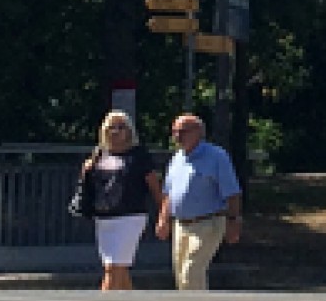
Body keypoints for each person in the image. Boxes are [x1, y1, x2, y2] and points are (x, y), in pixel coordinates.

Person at [77, 110, 163, 291]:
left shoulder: (138, 156)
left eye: (121, 127)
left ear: (129, 131)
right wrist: (86, 170)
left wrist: (163, 215)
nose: (116, 131)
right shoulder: (99, 155)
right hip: (104, 218)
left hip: (130, 217)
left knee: (112, 268)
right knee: (119, 269)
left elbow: (154, 186)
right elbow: (88, 186)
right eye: (111, 127)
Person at [156, 113, 242, 290]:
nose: (178, 136)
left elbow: (232, 192)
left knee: (192, 271)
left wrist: (234, 221)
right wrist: (163, 219)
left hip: (208, 223)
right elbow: (168, 193)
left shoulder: (217, 156)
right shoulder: (177, 158)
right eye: (175, 132)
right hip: (180, 225)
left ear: (199, 132)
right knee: (181, 276)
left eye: (183, 131)